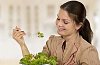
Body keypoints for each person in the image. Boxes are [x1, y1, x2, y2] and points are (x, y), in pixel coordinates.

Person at [12, 1, 100, 65]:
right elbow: (34, 63)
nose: (59, 24)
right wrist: (22, 44)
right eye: (58, 19)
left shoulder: (88, 51)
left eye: (65, 22)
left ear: (78, 25)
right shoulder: (52, 42)